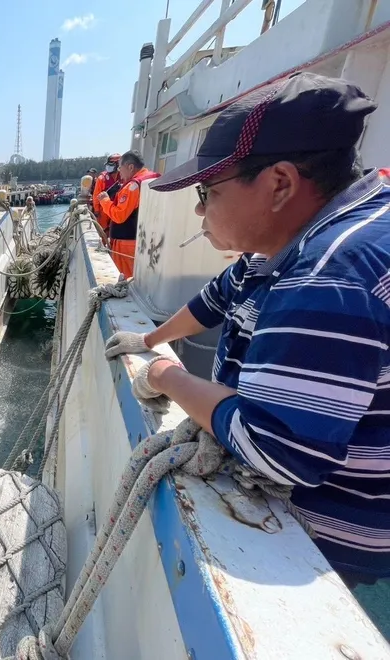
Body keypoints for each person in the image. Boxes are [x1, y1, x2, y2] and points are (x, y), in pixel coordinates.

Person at [103, 72, 390, 585]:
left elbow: (273, 447)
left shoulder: (327, 276)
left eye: (209, 191)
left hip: (328, 548)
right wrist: (148, 340)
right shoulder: (301, 239)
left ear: (279, 184)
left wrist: (166, 376)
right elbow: (217, 298)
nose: (199, 208)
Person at [97, 150, 159, 279]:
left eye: (120, 167)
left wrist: (105, 201)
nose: (119, 171)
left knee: (125, 278)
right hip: (146, 238)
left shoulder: (132, 187)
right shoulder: (153, 179)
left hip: (127, 243)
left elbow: (119, 216)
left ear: (130, 167)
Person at [93, 154, 122, 233]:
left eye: (111, 165)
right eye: (108, 165)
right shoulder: (101, 179)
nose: (109, 167)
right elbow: (96, 196)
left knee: (115, 229)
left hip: (117, 208)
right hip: (104, 209)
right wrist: (96, 210)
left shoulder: (123, 177)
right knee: (103, 230)